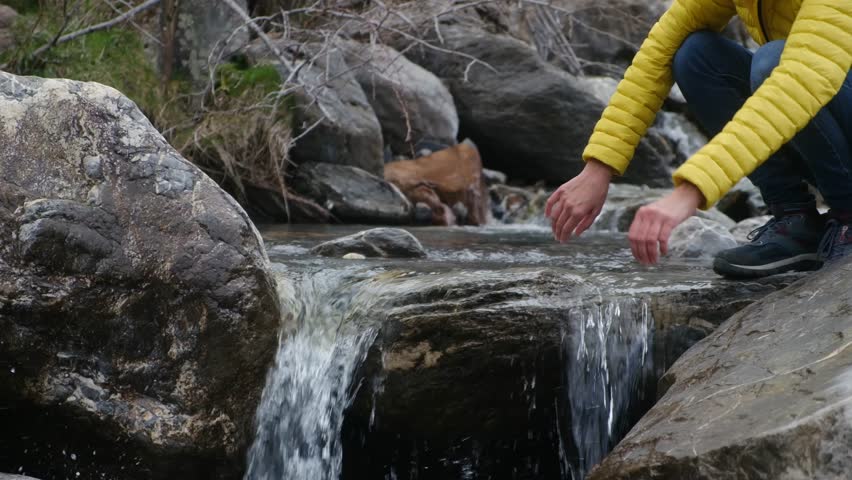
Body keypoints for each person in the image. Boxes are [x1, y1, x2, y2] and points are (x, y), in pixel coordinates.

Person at [545, 0, 852, 278]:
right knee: (695, 55)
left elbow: (798, 82)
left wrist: (690, 191)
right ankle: (795, 221)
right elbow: (658, 53)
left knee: (773, 62)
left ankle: (846, 218)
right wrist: (599, 166)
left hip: (810, 84)